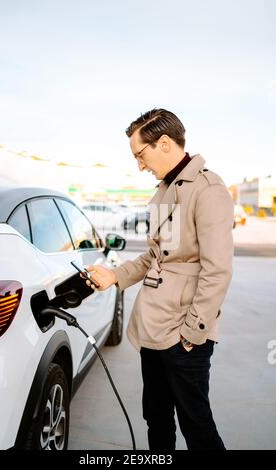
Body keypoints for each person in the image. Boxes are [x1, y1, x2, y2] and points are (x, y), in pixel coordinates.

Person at [84, 109, 234, 451]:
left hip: (184, 334)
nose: (140, 165)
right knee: (157, 418)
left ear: (164, 143)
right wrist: (114, 276)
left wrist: (193, 333)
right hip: (153, 330)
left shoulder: (207, 189)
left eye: (141, 155)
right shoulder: (163, 192)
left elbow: (218, 270)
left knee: (196, 425)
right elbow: (155, 257)